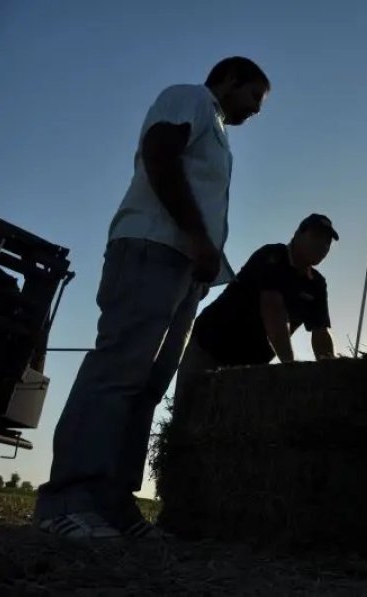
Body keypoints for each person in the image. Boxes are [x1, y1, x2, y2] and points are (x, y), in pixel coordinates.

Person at [34, 57, 271, 540]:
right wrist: (197, 237)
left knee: (148, 387)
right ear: (230, 79)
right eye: (254, 97)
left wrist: (202, 261)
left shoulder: (218, 131)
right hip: (153, 246)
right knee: (118, 370)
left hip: (186, 265)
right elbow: (160, 152)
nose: (255, 111)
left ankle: (113, 504)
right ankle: (66, 500)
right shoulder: (191, 97)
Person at [174, 214, 337, 414]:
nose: (323, 245)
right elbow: (272, 309)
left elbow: (320, 331)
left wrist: (332, 374)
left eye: (328, 242)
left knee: (234, 422)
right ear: (298, 234)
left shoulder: (317, 284)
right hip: (210, 346)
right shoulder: (272, 256)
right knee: (189, 413)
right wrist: (289, 366)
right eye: (317, 236)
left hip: (250, 364)